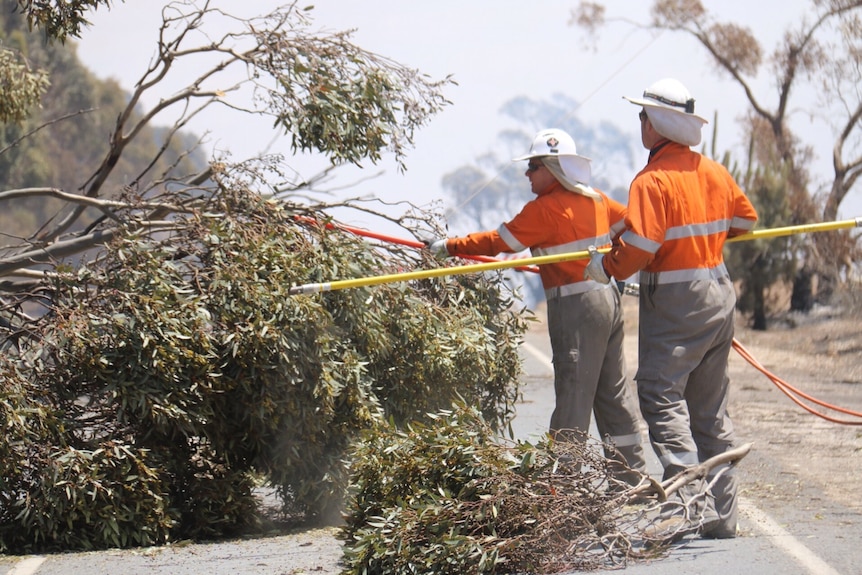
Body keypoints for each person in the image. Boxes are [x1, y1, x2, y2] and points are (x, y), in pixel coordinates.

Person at [584, 78, 759, 538]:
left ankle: (687, 501)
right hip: (719, 292)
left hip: (678, 300)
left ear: (657, 123)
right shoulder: (714, 172)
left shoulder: (651, 179)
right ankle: (722, 515)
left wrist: (608, 265)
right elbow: (745, 221)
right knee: (709, 408)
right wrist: (706, 236)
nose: (639, 122)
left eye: (642, 116)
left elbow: (641, 244)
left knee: (660, 394)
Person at [428, 128, 647, 478]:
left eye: (533, 166)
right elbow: (637, 226)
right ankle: (630, 476)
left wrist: (450, 246)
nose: (527, 174)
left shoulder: (543, 210)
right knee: (612, 392)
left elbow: (498, 242)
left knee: (574, 394)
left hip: (577, 311)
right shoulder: (598, 200)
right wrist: (619, 264)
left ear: (552, 168)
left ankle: (562, 486)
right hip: (609, 301)